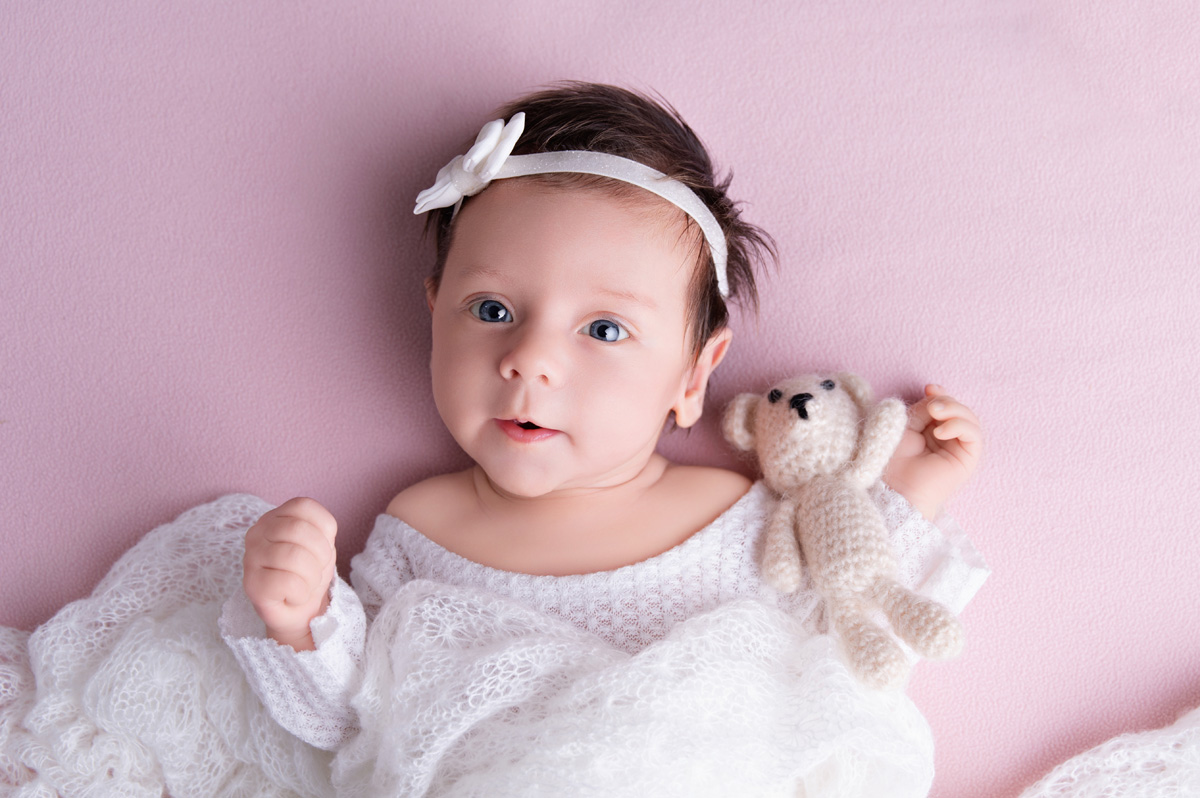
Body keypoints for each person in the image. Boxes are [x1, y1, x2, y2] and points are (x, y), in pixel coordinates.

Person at [220, 82, 984, 770]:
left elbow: (840, 644)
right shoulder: (417, 534)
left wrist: (907, 495)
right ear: (434, 315)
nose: (530, 361)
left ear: (693, 377)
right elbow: (354, 720)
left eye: (604, 330)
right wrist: (300, 618)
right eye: (493, 312)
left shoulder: (734, 517)